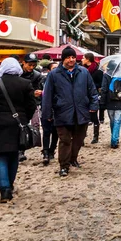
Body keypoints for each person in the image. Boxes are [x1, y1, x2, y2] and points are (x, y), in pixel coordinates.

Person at [41, 46, 99, 177]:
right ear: (63, 59)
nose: (71, 60)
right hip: (62, 112)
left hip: (81, 112)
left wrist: (93, 106)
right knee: (65, 140)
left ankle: (73, 158)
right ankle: (64, 165)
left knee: (79, 139)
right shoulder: (54, 74)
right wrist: (47, 114)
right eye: (68, 57)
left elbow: (92, 91)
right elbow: (48, 95)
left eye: (73, 57)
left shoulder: (84, 72)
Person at [0, 58, 36, 202]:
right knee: (14, 155)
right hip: (17, 124)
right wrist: (24, 120)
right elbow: (31, 105)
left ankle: (4, 188)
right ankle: (10, 185)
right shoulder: (25, 83)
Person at [101, 63, 121, 149]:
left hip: (109, 101)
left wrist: (102, 103)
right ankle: (114, 140)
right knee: (117, 121)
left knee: (112, 121)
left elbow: (104, 89)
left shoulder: (106, 75)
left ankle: (114, 138)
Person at [19, 53, 43, 162]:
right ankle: (20, 151)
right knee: (20, 126)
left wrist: (38, 93)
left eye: (34, 65)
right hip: (18, 104)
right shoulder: (16, 73)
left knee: (35, 124)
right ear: (24, 63)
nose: (31, 67)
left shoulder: (37, 75)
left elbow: (38, 88)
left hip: (32, 103)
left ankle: (31, 143)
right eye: (29, 65)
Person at [81, 52, 104, 144]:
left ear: (88, 59)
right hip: (82, 95)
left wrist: (93, 86)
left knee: (94, 117)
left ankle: (95, 136)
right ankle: (81, 137)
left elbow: (100, 84)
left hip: (93, 96)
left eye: (83, 58)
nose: (82, 59)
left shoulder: (97, 71)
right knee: (82, 117)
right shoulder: (81, 69)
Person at [40, 62, 59, 165]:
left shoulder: (61, 80)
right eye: (54, 68)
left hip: (58, 110)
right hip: (46, 109)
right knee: (46, 132)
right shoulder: (43, 81)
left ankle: (52, 150)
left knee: (56, 132)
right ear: (49, 70)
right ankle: (46, 152)